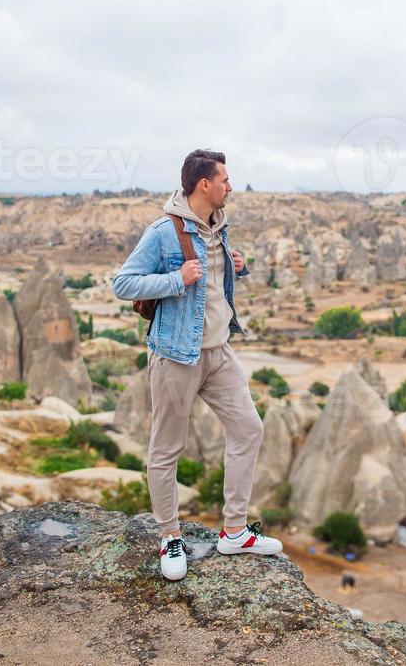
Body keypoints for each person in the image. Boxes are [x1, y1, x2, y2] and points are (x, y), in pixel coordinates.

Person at [113, 149, 283, 580]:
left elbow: (209, 284)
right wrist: (176, 280)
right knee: (167, 448)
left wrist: (236, 269)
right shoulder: (162, 232)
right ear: (203, 185)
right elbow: (124, 282)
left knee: (249, 429)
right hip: (176, 355)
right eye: (224, 179)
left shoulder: (218, 226)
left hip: (219, 351)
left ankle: (235, 530)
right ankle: (169, 536)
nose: (230, 186)